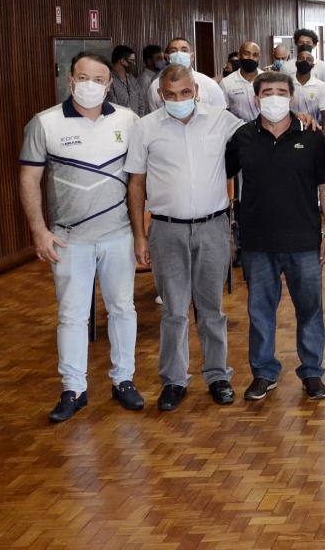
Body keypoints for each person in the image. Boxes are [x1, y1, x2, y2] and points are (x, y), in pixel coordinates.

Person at [20, 52, 143, 422]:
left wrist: (141, 233)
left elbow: (139, 180)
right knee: (71, 316)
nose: (90, 85)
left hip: (119, 235)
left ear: (110, 83)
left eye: (98, 79)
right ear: (70, 80)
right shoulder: (44, 123)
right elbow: (28, 179)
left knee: (123, 309)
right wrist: (39, 232)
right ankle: (73, 388)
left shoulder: (129, 120)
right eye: (82, 77)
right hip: (68, 239)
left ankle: (124, 381)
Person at [126, 64, 244, 411]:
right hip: (166, 229)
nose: (178, 100)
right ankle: (174, 381)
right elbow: (136, 183)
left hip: (212, 227)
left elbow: (262, 134)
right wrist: (140, 236)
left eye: (185, 93)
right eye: (170, 94)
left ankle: (218, 375)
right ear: (160, 94)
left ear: (196, 89)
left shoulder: (221, 119)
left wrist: (298, 117)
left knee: (212, 309)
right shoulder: (144, 128)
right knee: (174, 311)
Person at [226, 71, 325, 402]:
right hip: (257, 242)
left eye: (280, 91)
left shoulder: (313, 137)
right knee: (260, 312)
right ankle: (263, 373)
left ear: (291, 97)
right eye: (266, 92)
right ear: (256, 98)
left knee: (310, 311)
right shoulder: (242, 137)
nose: (273, 97)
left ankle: (312, 372)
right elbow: (222, 177)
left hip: (304, 241)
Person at [143, 37, 226, 112]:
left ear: (192, 56)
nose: (179, 54)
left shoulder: (209, 84)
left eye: (184, 50)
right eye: (173, 51)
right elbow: (153, 117)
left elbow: (221, 116)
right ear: (168, 58)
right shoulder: (155, 86)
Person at [281, 28, 325, 97]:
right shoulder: (286, 66)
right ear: (296, 44)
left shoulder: (323, 67)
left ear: (314, 45)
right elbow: (281, 88)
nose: (304, 45)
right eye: (301, 42)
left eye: (308, 43)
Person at [220, 41, 263, 123]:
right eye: (246, 54)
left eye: (255, 55)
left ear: (259, 58)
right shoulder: (226, 82)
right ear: (239, 56)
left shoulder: (267, 79)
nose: (250, 58)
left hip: (265, 131)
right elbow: (225, 112)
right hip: (238, 131)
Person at [291, 45, 325, 125]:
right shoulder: (287, 83)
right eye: (301, 58)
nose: (304, 61)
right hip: (290, 131)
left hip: (313, 131)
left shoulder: (320, 86)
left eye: (308, 59)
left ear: (312, 66)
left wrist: (322, 136)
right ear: (296, 63)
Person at [105, 45, 144, 114]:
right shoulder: (109, 80)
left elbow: (141, 102)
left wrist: (139, 120)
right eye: (132, 61)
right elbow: (113, 106)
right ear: (123, 61)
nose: (134, 64)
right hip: (119, 122)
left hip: (136, 121)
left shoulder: (132, 79)